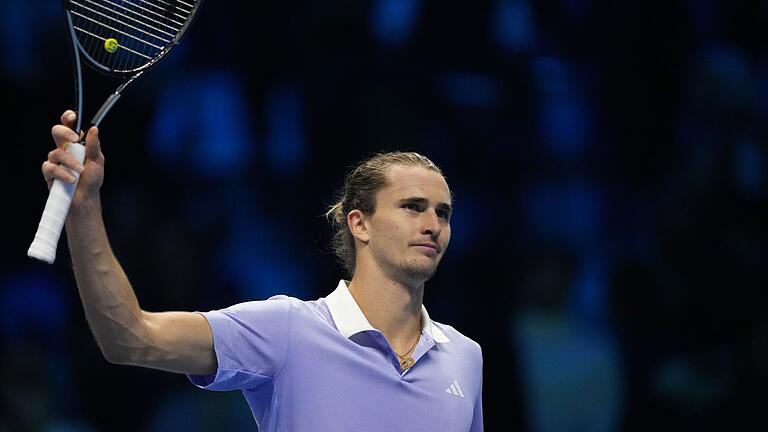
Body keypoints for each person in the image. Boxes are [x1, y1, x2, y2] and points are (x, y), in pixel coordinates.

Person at [42, 110, 484, 431]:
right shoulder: (286, 330)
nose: (432, 225)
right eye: (412, 207)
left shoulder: (465, 356)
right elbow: (131, 339)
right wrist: (83, 210)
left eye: (443, 213)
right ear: (359, 223)